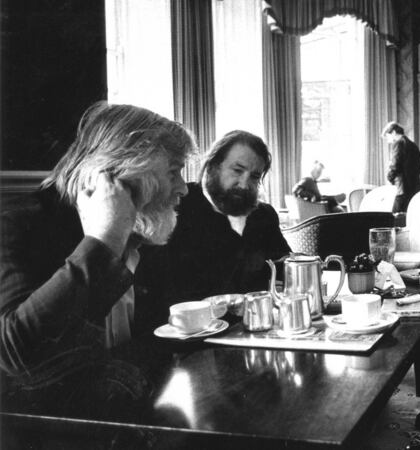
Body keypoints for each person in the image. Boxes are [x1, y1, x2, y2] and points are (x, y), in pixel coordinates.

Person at [0, 102, 195, 401]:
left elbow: (159, 337)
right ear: (118, 173)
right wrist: (104, 239)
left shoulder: (146, 228)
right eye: (173, 173)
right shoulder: (18, 226)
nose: (184, 188)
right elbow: (16, 356)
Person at [152, 130, 292, 301]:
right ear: (212, 165)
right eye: (237, 171)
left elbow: (286, 266)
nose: (244, 184)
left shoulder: (264, 215)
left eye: (254, 177)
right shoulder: (175, 207)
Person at [383, 121, 420, 213]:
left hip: (402, 188)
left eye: (387, 136)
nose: (388, 141)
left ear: (393, 132)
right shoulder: (413, 145)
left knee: (395, 219)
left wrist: (389, 177)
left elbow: (395, 165)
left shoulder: (398, 144)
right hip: (414, 188)